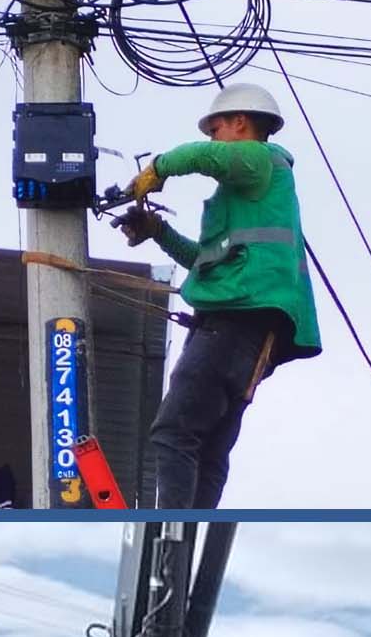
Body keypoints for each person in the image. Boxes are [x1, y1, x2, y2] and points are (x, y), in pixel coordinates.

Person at [111, 83, 321, 509]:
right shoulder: (250, 198)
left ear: (240, 122)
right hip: (252, 333)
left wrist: (157, 170)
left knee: (174, 432)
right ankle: (189, 534)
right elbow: (207, 264)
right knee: (207, 448)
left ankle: (170, 532)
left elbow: (202, 157)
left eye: (216, 129)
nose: (213, 138)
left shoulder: (261, 159)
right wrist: (158, 231)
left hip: (234, 323)